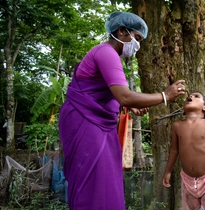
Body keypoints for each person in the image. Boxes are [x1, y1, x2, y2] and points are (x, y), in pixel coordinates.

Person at [58, 11, 186, 210]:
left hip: (99, 125)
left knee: (107, 179)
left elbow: (109, 94)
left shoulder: (110, 54)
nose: (137, 45)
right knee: (92, 178)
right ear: (121, 31)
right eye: (136, 38)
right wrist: (165, 96)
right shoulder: (106, 52)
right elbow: (124, 94)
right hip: (85, 122)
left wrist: (127, 105)